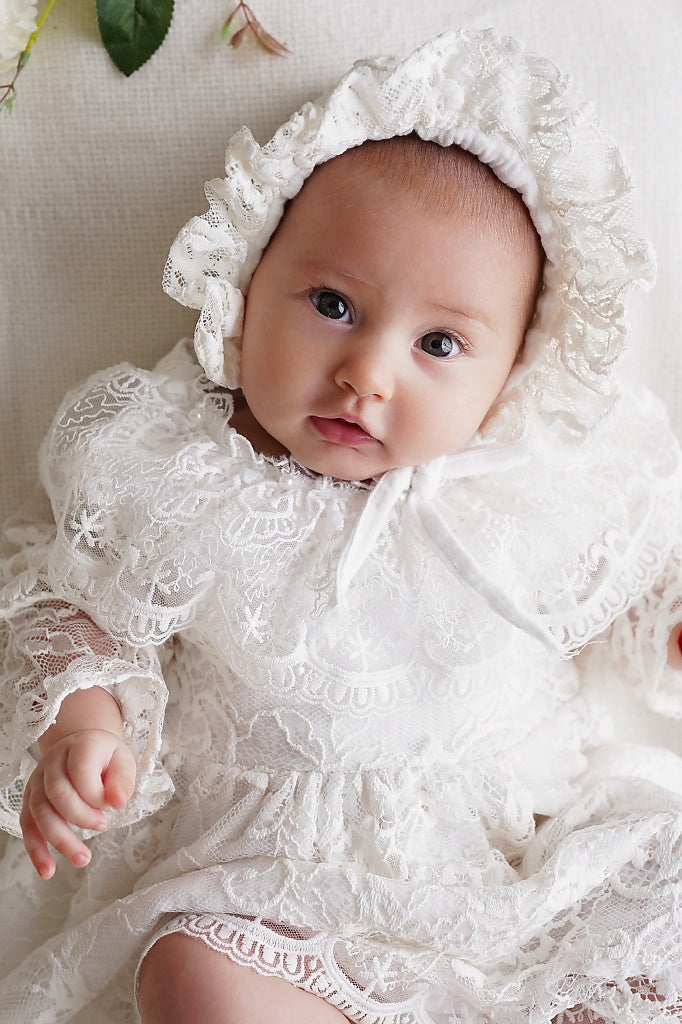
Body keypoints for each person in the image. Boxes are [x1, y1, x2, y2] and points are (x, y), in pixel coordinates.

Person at [0, 26, 681, 1024]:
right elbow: (80, 602)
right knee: (188, 970)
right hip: (263, 893)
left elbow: (625, 578)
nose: (368, 373)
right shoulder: (181, 471)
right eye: (330, 303)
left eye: (439, 342)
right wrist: (85, 719)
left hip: (499, 876)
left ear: (509, 377)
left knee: (652, 893)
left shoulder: (524, 490)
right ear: (243, 290)